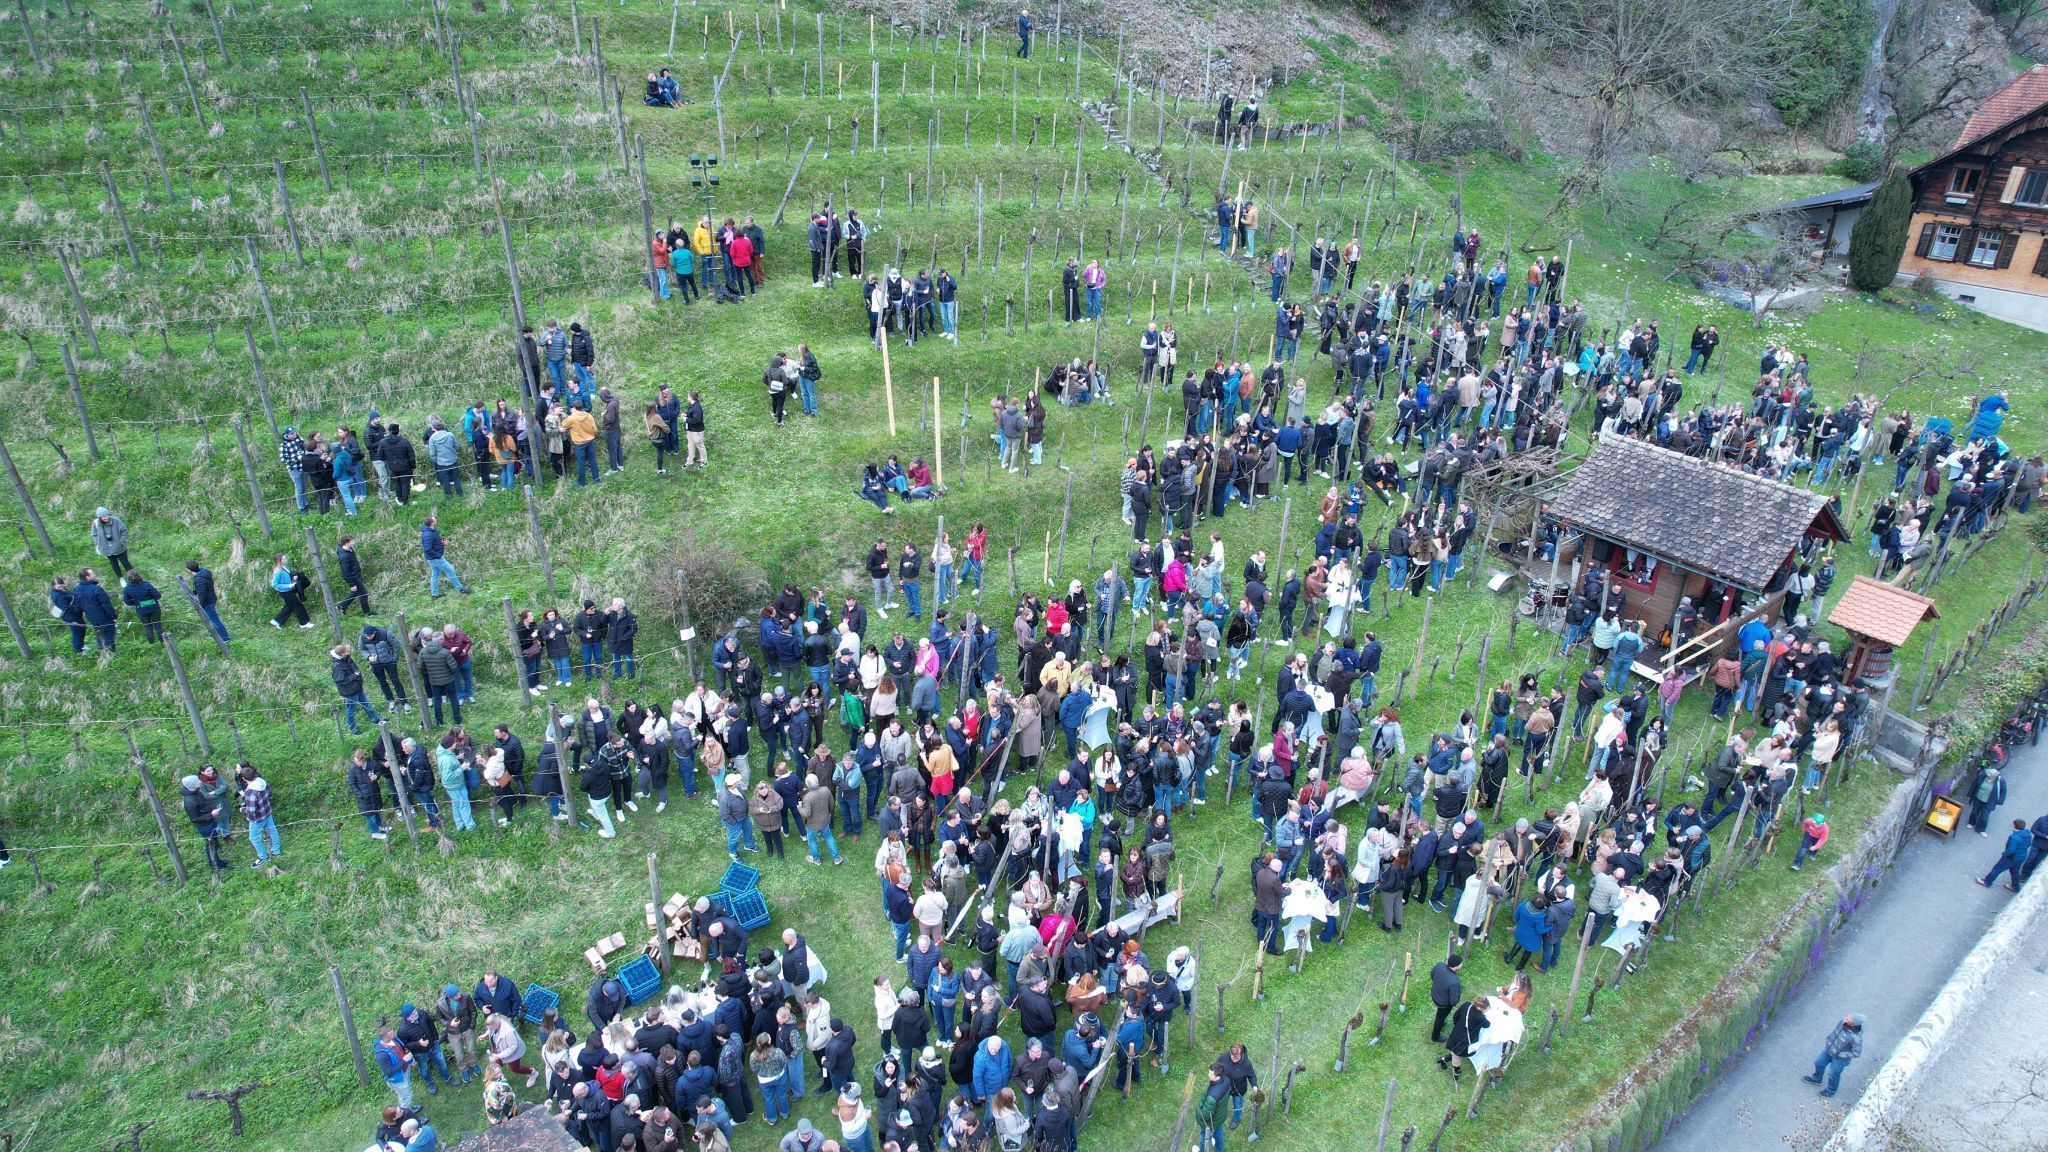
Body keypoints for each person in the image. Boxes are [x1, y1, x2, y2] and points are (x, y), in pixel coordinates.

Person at [1801, 1014, 1864, 1097]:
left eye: (1849, 1019)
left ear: (1854, 1024)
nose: (1847, 1018)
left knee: (1833, 1074)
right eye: (1849, 1016)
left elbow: (1856, 1053)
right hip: (1829, 1049)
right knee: (1819, 1063)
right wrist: (1829, 1039)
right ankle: (1817, 1079)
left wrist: (1841, 1054)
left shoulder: (1856, 1038)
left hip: (1840, 1059)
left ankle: (1830, 1091)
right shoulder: (1842, 1022)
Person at [1979, 818, 2035, 891]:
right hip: (2021, 857)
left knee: (1997, 868)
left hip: (2011, 858)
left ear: (2015, 826)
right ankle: (2016, 887)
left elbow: (2011, 850)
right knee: (2015, 871)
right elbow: (2028, 844)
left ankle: (1987, 882)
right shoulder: (2027, 834)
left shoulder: (2014, 837)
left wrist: (2004, 854)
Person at [421, 514, 470, 597]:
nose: (436, 519)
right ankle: (461, 589)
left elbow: (435, 542)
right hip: (435, 558)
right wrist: (438, 555)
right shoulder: (428, 534)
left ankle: (435, 594)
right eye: (434, 519)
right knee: (450, 569)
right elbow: (427, 549)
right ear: (432, 523)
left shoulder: (432, 530)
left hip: (433, 558)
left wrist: (442, 543)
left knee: (435, 575)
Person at [120, 570, 164, 644]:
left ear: (129, 578)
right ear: (138, 576)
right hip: (154, 608)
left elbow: (127, 602)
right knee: (157, 626)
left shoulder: (127, 589)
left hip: (141, 610)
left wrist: (136, 603)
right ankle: (163, 642)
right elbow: (158, 595)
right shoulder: (146, 585)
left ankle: (152, 644)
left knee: (148, 627)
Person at [269, 555, 313, 630]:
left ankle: (277, 621)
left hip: (288, 590)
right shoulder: (278, 571)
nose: (286, 559)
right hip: (285, 592)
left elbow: (287, 576)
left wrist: (293, 578)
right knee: (298, 606)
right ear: (280, 561)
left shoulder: (285, 566)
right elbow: (274, 584)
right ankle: (304, 623)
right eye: (284, 558)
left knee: (289, 606)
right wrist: (289, 585)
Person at [90, 506, 131, 575]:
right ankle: (121, 578)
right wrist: (99, 543)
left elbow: (124, 531)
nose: (106, 517)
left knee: (125, 563)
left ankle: (133, 577)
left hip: (120, 548)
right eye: (103, 516)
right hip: (107, 550)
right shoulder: (96, 523)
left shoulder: (116, 521)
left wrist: (121, 542)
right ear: (99, 517)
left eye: (107, 515)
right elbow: (94, 534)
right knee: (114, 564)